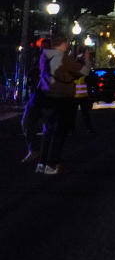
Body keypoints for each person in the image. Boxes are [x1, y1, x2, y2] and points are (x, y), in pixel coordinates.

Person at [36, 35, 92, 174]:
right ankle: (52, 164)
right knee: (59, 132)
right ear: (61, 45)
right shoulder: (63, 57)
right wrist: (86, 59)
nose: (67, 46)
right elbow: (83, 71)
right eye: (66, 44)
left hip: (47, 95)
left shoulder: (45, 57)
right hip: (62, 97)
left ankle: (42, 163)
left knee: (48, 131)